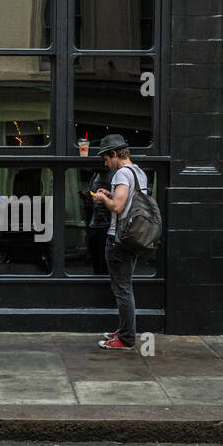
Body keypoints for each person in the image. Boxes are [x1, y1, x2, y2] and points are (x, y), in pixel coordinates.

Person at [91, 133, 147, 351]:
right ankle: (124, 331)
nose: (106, 163)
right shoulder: (138, 172)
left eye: (106, 158)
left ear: (114, 154)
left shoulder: (121, 173)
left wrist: (102, 198)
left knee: (122, 290)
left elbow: (118, 207)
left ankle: (125, 339)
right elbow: (126, 200)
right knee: (126, 287)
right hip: (133, 237)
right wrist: (109, 194)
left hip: (119, 239)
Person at [85, 162, 115, 274]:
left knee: (104, 264)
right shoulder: (97, 174)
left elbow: (118, 204)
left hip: (106, 225)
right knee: (97, 260)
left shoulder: (114, 175)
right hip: (96, 222)